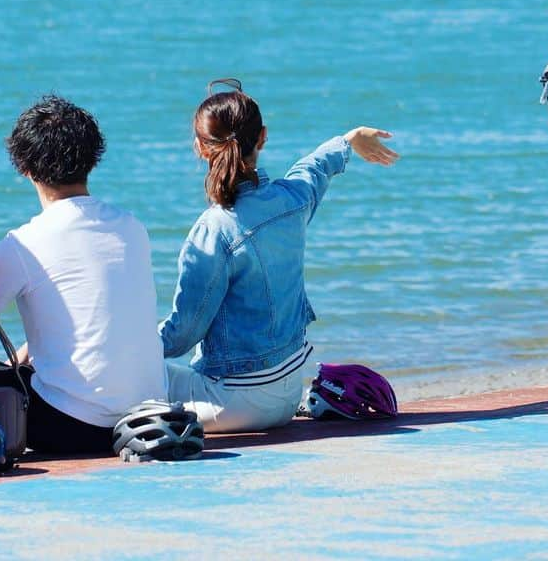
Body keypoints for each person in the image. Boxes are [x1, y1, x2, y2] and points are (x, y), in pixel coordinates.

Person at [160, 81, 399, 434]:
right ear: (263, 138)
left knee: (123, 372)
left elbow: (183, 335)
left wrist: (127, 346)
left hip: (231, 403)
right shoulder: (292, 201)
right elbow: (313, 169)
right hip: (286, 397)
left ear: (200, 148)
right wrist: (347, 141)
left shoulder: (214, 228)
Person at [0, 95, 167, 454]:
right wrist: (20, 358)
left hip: (73, 429)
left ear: (25, 168)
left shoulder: (22, 245)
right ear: (93, 159)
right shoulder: (131, 227)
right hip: (141, 421)